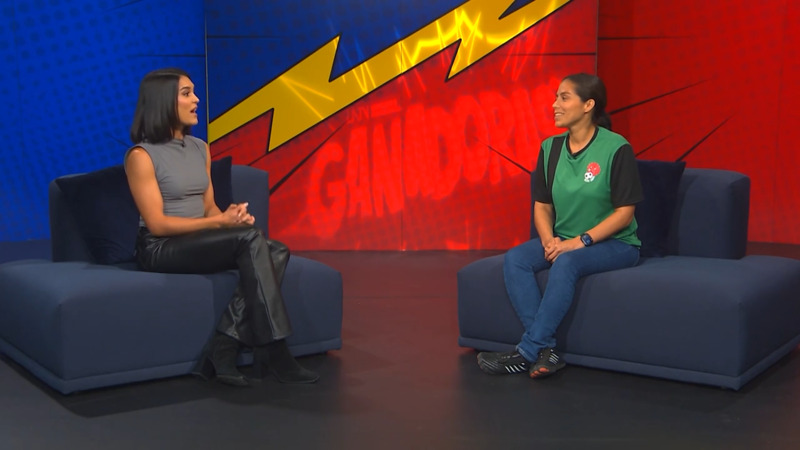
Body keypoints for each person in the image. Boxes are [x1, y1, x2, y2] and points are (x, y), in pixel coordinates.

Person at [125, 68, 318, 386]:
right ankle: (274, 349)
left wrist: (232, 218)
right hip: (158, 247)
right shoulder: (141, 156)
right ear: (163, 101)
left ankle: (223, 345)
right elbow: (157, 224)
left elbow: (208, 207)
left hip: (196, 238)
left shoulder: (200, 148)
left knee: (275, 249)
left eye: (193, 92)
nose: (196, 100)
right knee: (252, 241)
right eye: (186, 93)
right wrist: (220, 223)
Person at [477, 73, 643, 379]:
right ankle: (546, 350)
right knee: (516, 259)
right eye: (556, 97)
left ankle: (527, 351)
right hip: (564, 238)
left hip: (616, 244)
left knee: (567, 262)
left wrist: (580, 241)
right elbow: (542, 205)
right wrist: (549, 241)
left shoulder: (616, 148)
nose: (554, 105)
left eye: (564, 98)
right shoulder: (550, 148)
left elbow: (624, 213)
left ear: (588, 105)